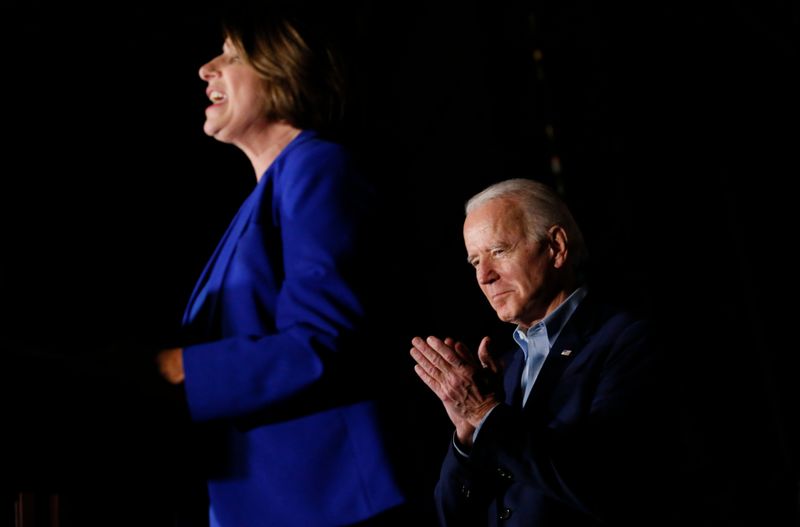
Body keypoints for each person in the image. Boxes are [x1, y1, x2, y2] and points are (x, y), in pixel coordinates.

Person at [153, 3, 408, 526]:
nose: (206, 69)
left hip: (327, 503)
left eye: (230, 54)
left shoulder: (317, 167)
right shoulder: (263, 198)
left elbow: (321, 342)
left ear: (283, 67)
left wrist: (179, 369)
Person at [409, 178, 676, 526]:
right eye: (475, 261)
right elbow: (451, 518)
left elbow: (605, 485)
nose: (484, 276)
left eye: (499, 251)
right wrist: (468, 432)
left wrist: (485, 412)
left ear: (555, 247)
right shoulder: (503, 367)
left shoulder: (627, 342)